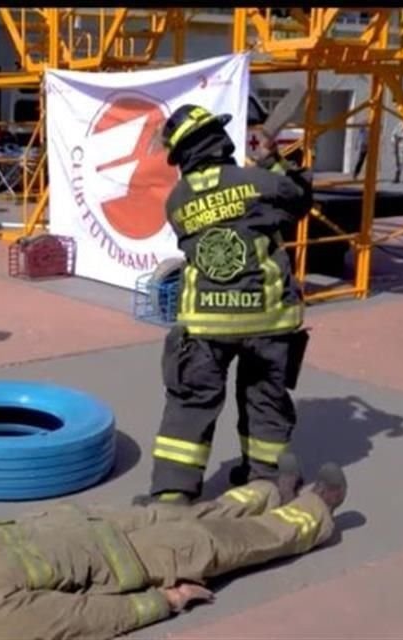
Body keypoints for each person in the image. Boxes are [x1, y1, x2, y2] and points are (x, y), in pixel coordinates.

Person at [0, 457, 348, 640]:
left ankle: (269, 494)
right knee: (219, 542)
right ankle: (314, 514)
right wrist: (166, 601)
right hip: (137, 561)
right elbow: (83, 619)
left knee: (193, 514)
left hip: (107, 524)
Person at [134, 104, 313, 508]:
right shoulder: (260, 182)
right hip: (269, 320)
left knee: (190, 402)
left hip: (206, 323)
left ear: (183, 156)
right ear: (220, 139)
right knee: (265, 398)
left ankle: (173, 493)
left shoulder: (177, 201)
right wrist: (270, 158)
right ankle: (266, 482)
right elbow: (300, 201)